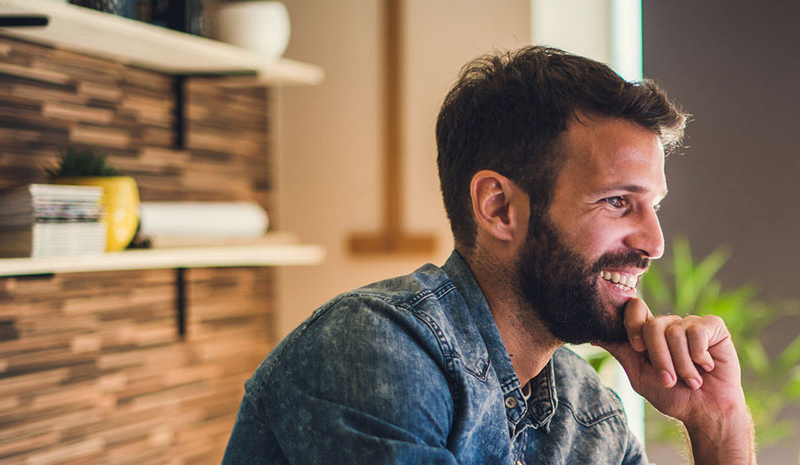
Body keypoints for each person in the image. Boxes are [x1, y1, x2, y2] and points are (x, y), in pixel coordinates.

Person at [221, 46, 756, 464]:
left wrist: (719, 424)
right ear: (499, 208)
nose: (654, 243)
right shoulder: (375, 348)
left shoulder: (586, 413)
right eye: (618, 202)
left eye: (653, 206)